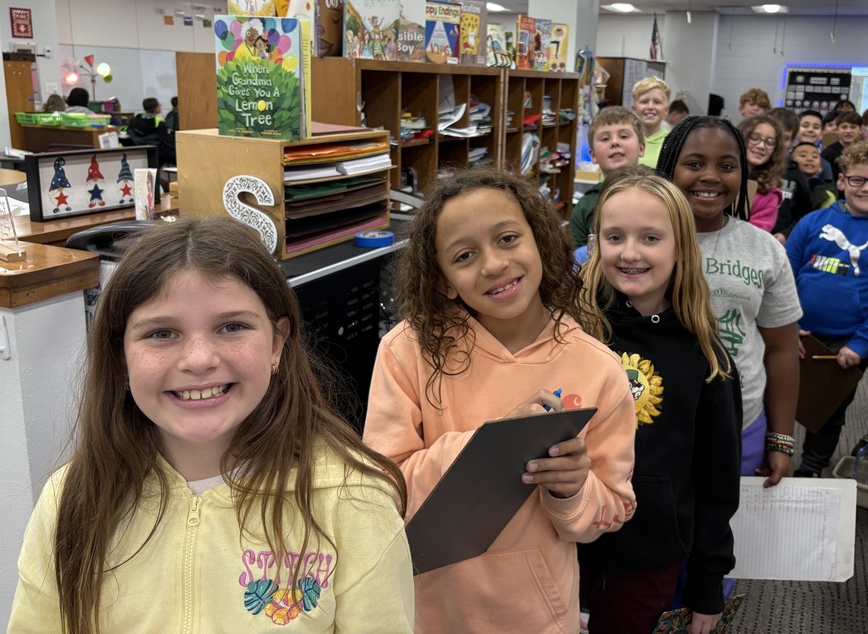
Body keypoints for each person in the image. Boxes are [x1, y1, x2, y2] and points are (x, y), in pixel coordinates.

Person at [9, 217, 415, 633]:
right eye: (162, 332)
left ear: (276, 344)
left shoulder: (351, 498)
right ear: (120, 358)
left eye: (232, 327)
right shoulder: (72, 498)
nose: (199, 359)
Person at [363, 168, 637, 634]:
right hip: (427, 613)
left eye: (508, 238)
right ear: (445, 280)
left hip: (537, 616)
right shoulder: (405, 350)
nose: (492, 264)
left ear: (540, 242)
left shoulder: (598, 369)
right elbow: (378, 487)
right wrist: (490, 446)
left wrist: (571, 489)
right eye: (465, 255)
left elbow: (611, 509)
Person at [576, 170, 741, 634]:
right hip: (558, 544)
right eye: (615, 237)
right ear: (596, 244)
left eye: (650, 237)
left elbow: (717, 484)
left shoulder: (708, 358)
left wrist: (708, 582)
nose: (630, 252)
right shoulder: (571, 335)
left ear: (680, 248)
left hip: (647, 558)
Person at [655, 117, 802, 486]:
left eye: (726, 166)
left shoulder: (763, 249)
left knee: (725, 533)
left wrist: (781, 440)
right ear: (668, 168)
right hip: (651, 421)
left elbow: (782, 349)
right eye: (693, 163)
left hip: (741, 424)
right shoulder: (637, 243)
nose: (710, 176)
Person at [787, 141, 868, 477]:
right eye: (857, 180)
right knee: (779, 396)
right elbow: (784, 277)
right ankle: (775, 454)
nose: (866, 189)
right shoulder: (813, 222)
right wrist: (786, 326)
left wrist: (861, 343)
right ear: (841, 181)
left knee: (827, 408)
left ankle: (812, 465)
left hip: (845, 342)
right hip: (796, 331)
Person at [571, 106, 646, 249]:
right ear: (592, 155)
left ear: (641, 148)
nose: (614, 142)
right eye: (605, 138)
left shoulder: (662, 193)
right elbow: (575, 263)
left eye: (624, 136)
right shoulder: (585, 207)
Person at [766, 108, 813, 242]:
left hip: (779, 240)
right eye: (775, 136)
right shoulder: (750, 168)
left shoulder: (797, 175)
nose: (779, 142)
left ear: (793, 142)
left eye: (785, 138)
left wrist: (786, 233)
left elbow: (804, 213)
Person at [738, 114, 786, 232]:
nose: (761, 146)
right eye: (754, 137)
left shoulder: (769, 194)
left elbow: (756, 235)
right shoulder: (717, 176)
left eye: (769, 142)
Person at [634, 77, 671, 169]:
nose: (650, 107)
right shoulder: (624, 140)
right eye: (644, 102)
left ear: (666, 110)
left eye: (657, 102)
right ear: (634, 109)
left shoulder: (672, 144)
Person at [127, 97, 176, 166]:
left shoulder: (134, 121)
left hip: (139, 151)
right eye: (159, 105)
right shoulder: (159, 123)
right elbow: (166, 140)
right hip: (158, 152)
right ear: (156, 108)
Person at [791, 142, 837, 210]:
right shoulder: (783, 186)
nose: (810, 159)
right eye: (803, 155)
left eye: (815, 157)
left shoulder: (827, 194)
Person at [822, 111, 865, 182]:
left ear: (860, 130)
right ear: (837, 130)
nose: (848, 131)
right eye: (844, 127)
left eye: (853, 127)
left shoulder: (864, 151)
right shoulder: (829, 153)